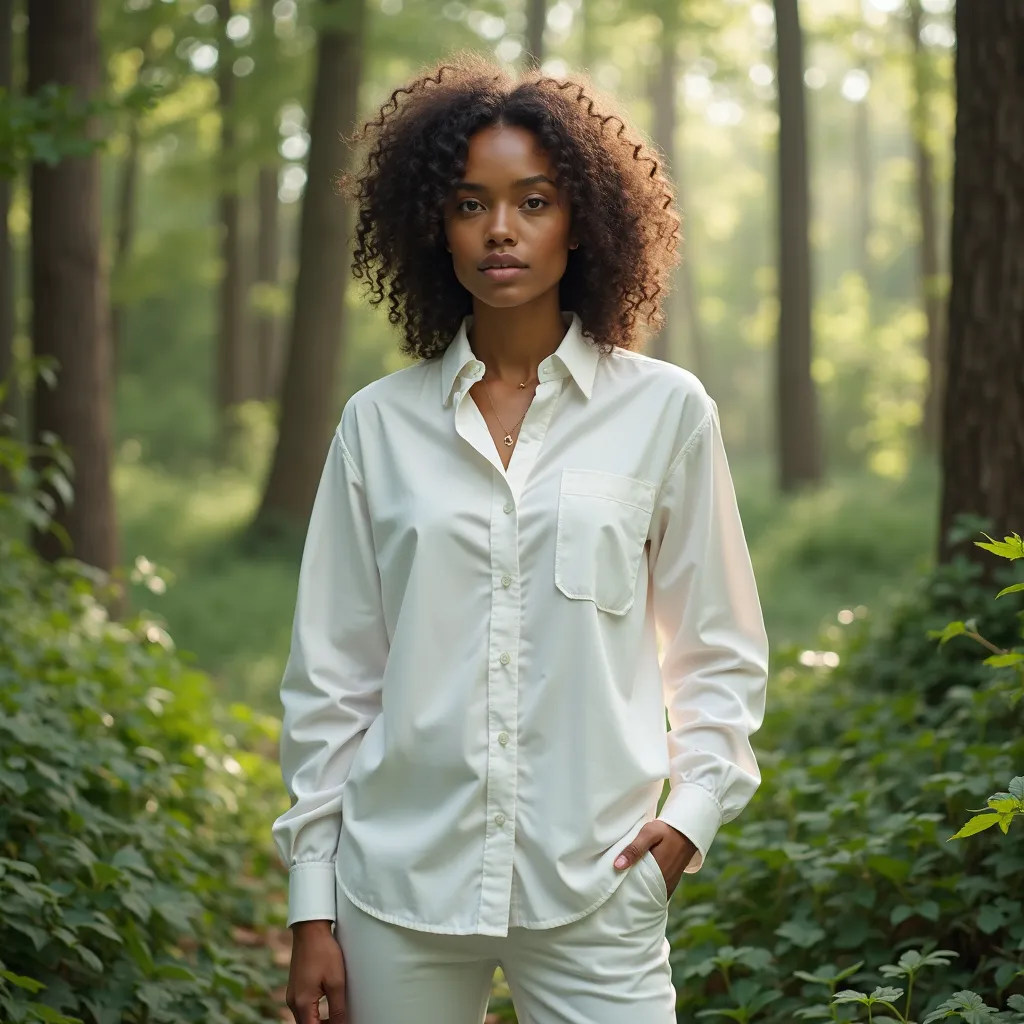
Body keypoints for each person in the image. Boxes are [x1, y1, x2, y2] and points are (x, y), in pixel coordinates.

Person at [272, 50, 769, 1024]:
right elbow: (332, 680)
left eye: (532, 200)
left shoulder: (666, 412)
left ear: (580, 218)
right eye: (470, 202)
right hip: (398, 887)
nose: (501, 228)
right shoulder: (379, 424)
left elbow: (716, 648)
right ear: (435, 227)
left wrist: (688, 818)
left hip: (597, 883)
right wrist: (310, 907)